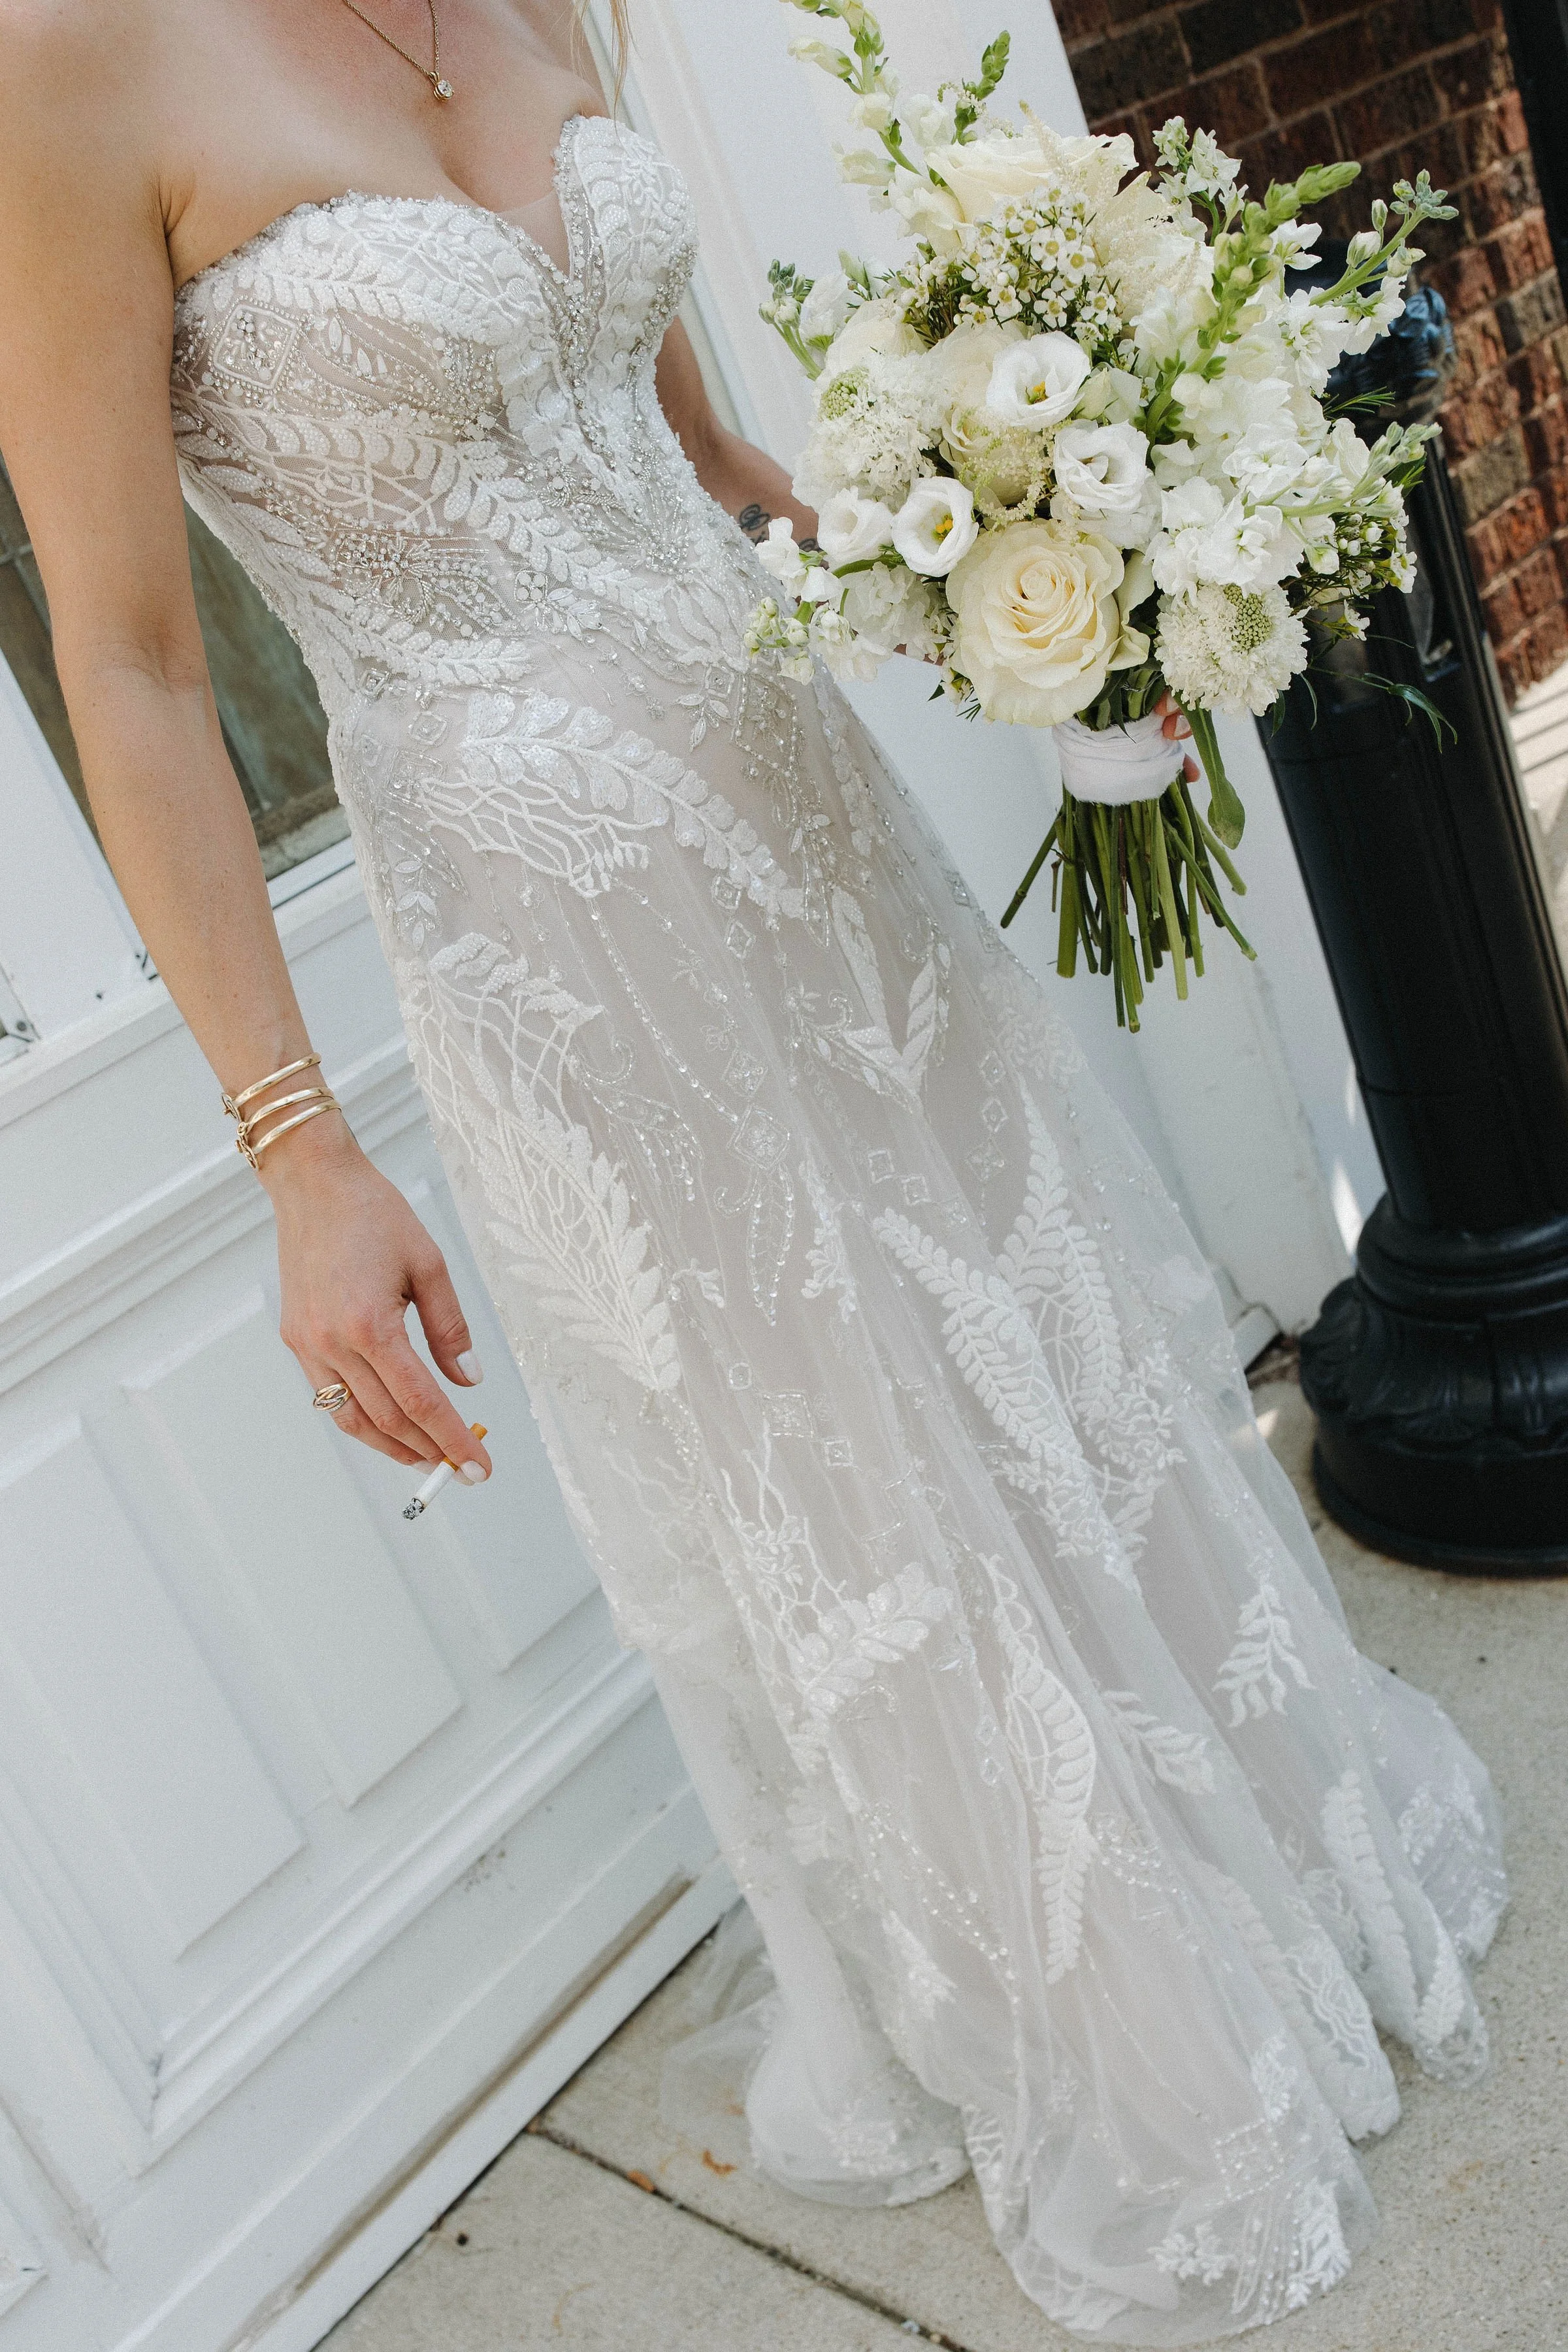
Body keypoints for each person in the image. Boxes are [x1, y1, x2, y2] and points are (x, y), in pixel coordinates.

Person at [0, 2, 1506, 2338]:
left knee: (1019, 1323)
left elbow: (687, 430)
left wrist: (1047, 594)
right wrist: (297, 1149)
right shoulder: (65, 66)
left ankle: (1259, 1849)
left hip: (798, 793)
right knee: (837, 1460)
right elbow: (129, 664)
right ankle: (1118, 2030)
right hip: (556, 931)